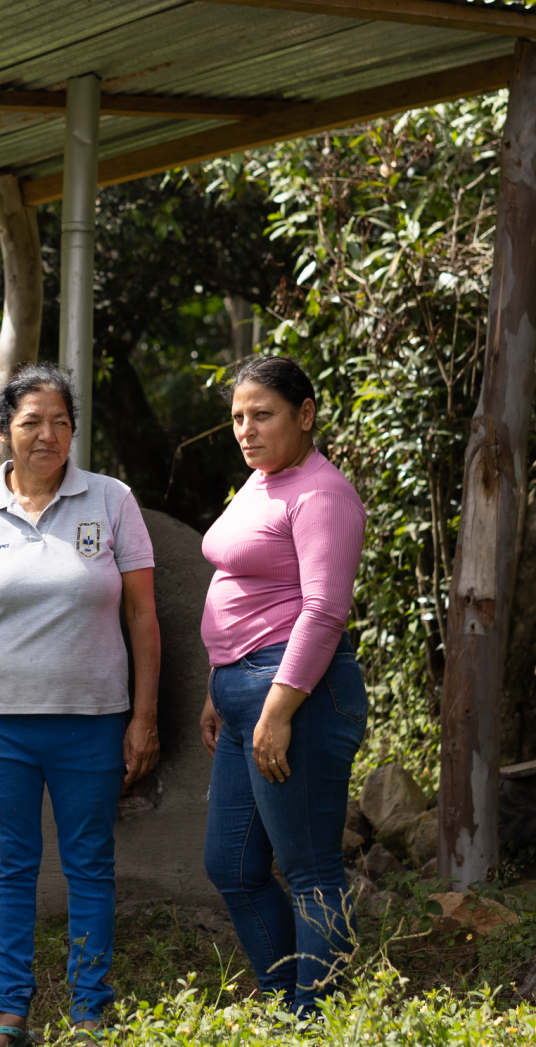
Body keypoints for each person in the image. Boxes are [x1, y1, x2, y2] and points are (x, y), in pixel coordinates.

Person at [0, 362, 160, 1045]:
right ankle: (10, 1011)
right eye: (31, 421)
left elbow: (144, 617)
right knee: (11, 867)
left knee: (90, 862)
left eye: (61, 421)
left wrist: (144, 716)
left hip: (92, 719)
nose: (47, 434)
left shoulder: (111, 499)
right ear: (2, 429)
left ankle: (89, 1010)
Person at [198, 355, 366, 1015]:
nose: (246, 429)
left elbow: (324, 609)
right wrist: (221, 686)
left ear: (305, 414)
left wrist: (277, 707)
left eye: (262, 414)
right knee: (232, 867)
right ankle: (285, 1004)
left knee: (310, 871)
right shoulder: (263, 483)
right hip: (247, 693)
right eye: (238, 416)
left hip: (299, 696)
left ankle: (316, 1016)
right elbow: (247, 588)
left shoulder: (322, 492)